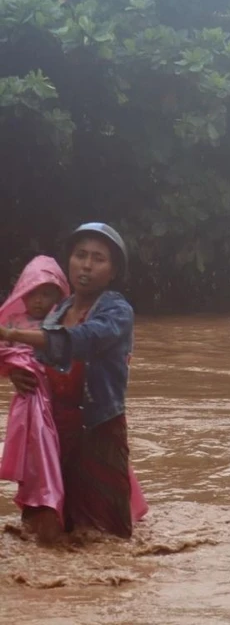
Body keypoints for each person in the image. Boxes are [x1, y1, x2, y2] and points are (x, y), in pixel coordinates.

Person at [0, 223, 147, 538]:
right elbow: (37, 360)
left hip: (99, 429)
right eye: (81, 255)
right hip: (56, 432)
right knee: (52, 529)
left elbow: (82, 340)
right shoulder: (58, 310)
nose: (87, 265)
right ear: (69, 262)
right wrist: (17, 373)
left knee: (105, 534)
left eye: (98, 259)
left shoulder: (117, 310)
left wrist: (11, 333)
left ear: (113, 271)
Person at [0, 256, 70, 542]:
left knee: (63, 458)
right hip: (29, 402)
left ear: (58, 296)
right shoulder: (13, 322)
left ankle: (54, 513)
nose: (39, 300)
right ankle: (39, 510)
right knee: (35, 453)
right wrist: (14, 369)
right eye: (33, 293)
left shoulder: (63, 323)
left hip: (61, 403)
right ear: (22, 294)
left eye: (46, 294)